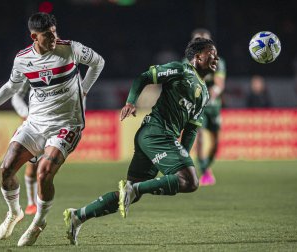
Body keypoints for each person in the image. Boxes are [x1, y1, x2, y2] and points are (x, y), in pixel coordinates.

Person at [0, 12, 104, 247]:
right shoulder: (23, 59)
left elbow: (98, 62)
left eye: (55, 32)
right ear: (34, 36)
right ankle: (15, 212)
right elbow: (11, 86)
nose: (54, 38)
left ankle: (38, 221)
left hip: (67, 124)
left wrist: (84, 89)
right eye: (47, 35)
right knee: (6, 169)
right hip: (35, 123)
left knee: (44, 171)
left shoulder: (71, 49)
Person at [63, 37, 219, 245]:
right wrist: (130, 101)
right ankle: (135, 189)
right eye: (212, 53)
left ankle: (78, 215)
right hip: (156, 132)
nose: (216, 57)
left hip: (159, 138)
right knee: (190, 182)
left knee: (131, 192)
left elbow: (190, 130)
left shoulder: (205, 94)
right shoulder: (181, 70)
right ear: (198, 57)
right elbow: (144, 77)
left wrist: (181, 157)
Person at [189, 28, 226, 186]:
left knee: (216, 141)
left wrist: (212, 93)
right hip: (198, 107)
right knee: (200, 137)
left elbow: (219, 84)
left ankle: (207, 166)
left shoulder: (218, 61)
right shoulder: (188, 62)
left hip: (213, 107)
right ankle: (204, 171)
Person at [11, 82, 38, 215]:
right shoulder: (29, 68)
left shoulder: (66, 68)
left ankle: (38, 203)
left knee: (47, 167)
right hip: (34, 124)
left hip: (55, 122)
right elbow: (16, 96)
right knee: (33, 166)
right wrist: (26, 113)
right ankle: (32, 203)